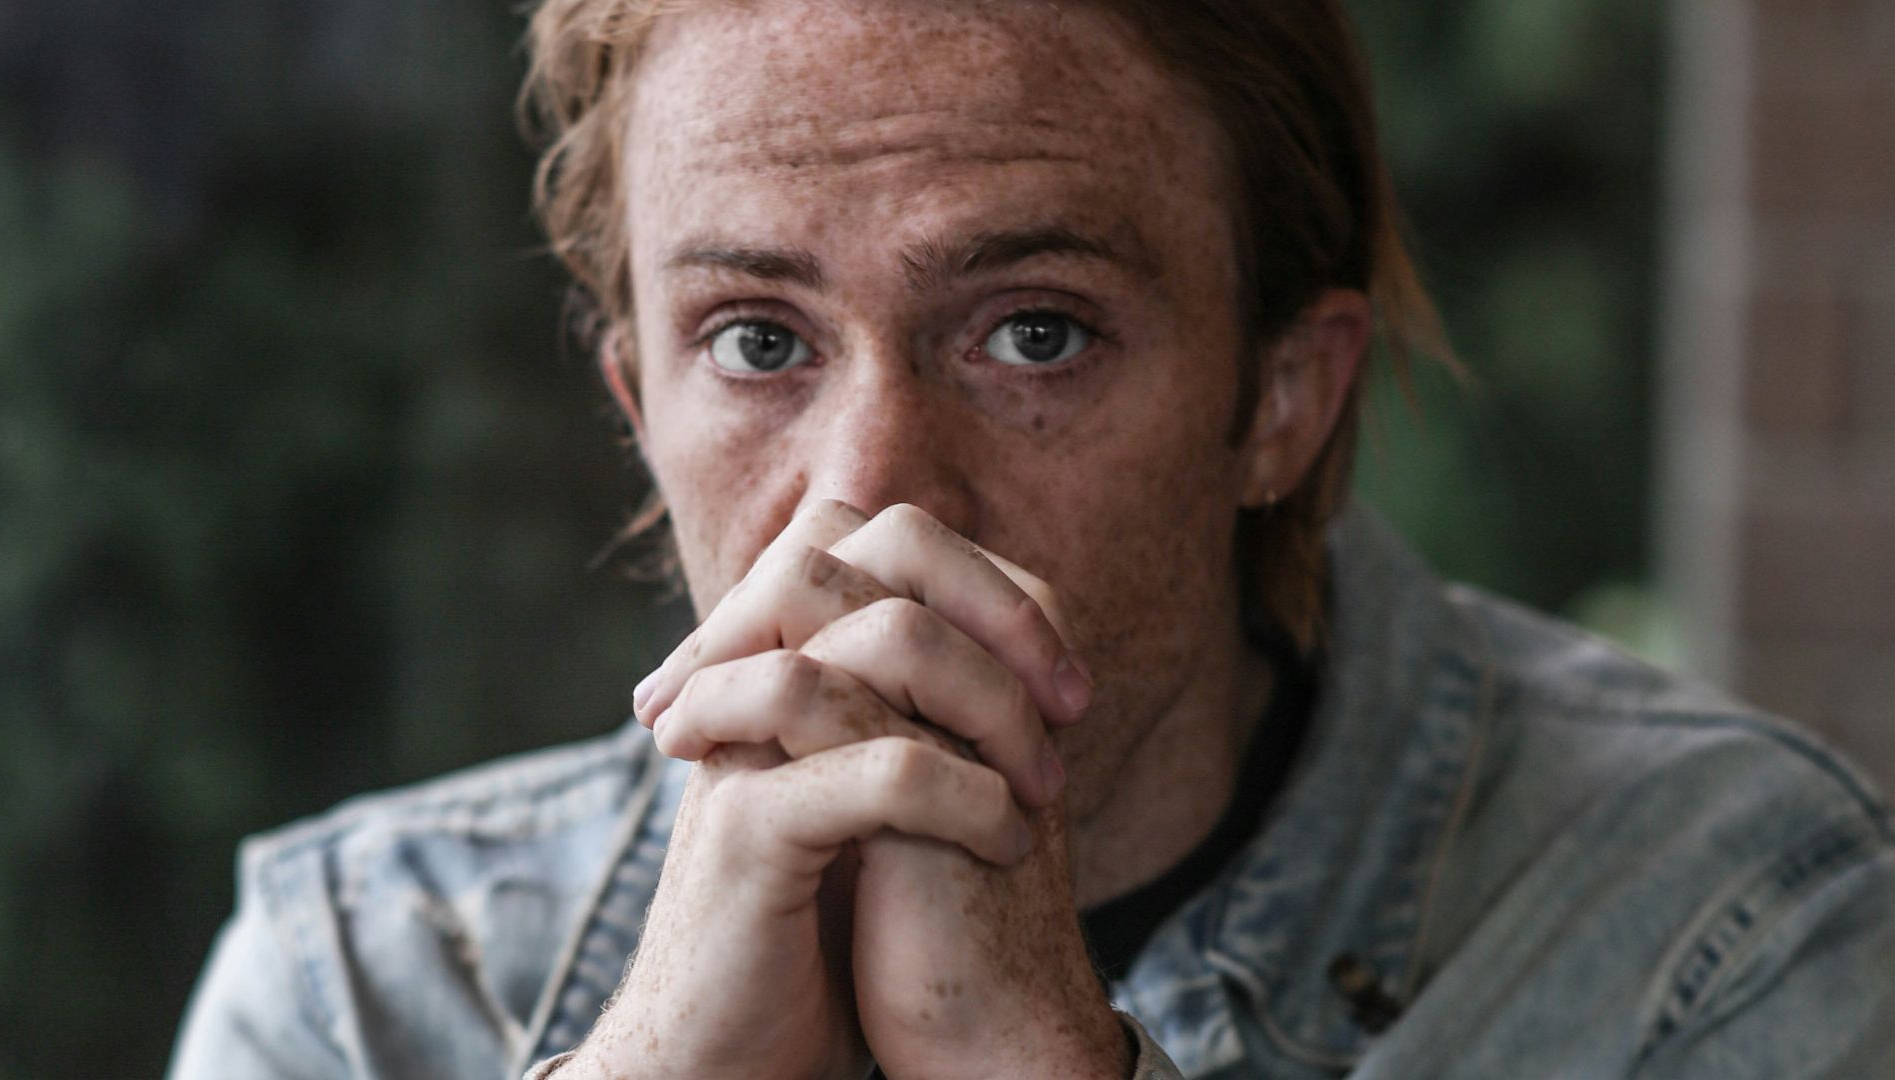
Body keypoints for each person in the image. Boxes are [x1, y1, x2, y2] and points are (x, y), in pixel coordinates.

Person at [168, 0, 1895, 1077]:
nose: (876, 499)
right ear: (638, 402)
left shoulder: (1721, 923)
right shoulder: (368, 987)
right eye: (760, 341)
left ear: (1282, 399)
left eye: (1036, 331)